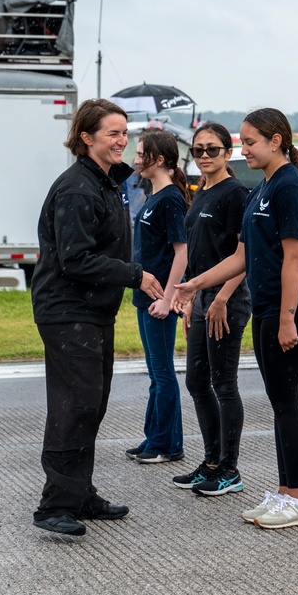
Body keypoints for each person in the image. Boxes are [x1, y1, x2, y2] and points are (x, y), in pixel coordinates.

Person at [174, 108, 298, 525]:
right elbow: (241, 256)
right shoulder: (264, 186)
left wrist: (288, 318)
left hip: (289, 306)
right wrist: (194, 285)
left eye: (250, 141)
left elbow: (295, 259)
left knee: (287, 402)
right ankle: (284, 492)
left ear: (277, 141)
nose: (244, 149)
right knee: (279, 402)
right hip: (268, 305)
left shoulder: (289, 185)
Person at [31, 99, 164, 536]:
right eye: (112, 133)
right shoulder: (77, 188)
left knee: (91, 404)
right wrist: (136, 275)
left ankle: (80, 493)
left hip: (91, 311)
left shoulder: (106, 182)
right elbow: (75, 259)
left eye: (125, 133)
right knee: (74, 406)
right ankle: (55, 505)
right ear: (86, 137)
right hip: (68, 310)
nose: (122, 141)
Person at [169, 123, 253, 496]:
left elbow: (243, 255)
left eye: (212, 150)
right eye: (199, 150)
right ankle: (212, 461)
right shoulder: (200, 190)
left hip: (227, 299)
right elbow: (197, 250)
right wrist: (191, 300)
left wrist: (221, 298)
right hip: (203, 297)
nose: (204, 156)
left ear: (228, 152)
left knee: (223, 383)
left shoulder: (236, 194)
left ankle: (230, 470)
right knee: (196, 381)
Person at [126, 131, 189, 464]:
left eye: (141, 154)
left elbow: (182, 252)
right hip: (144, 298)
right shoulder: (154, 195)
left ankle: (166, 444)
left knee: (163, 373)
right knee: (155, 372)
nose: (136, 160)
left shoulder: (171, 199)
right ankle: (156, 437)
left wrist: (168, 298)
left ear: (159, 160)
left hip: (158, 301)